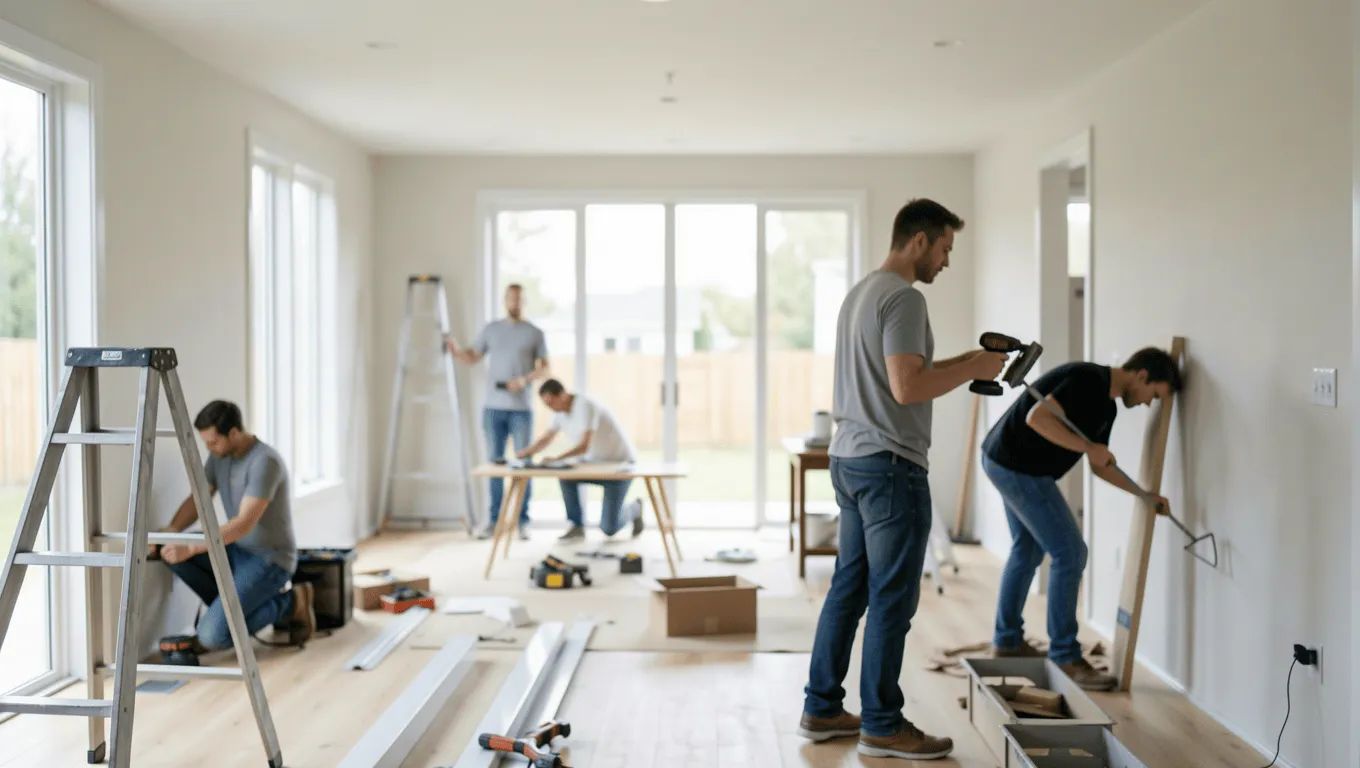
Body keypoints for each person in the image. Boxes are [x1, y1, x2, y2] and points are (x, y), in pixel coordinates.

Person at [799, 199, 1005, 760]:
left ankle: (820, 708)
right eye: (944, 249)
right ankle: (883, 724)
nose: (945, 262)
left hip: (850, 459)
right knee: (892, 598)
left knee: (849, 588)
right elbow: (907, 387)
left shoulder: (862, 293)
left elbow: (902, 372)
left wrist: (970, 359)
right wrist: (972, 372)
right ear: (919, 241)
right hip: (890, 466)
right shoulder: (906, 298)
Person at [981, 349, 1182, 690]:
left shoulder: (1107, 407)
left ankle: (1008, 642)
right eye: (1155, 396)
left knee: (1028, 551)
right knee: (1070, 553)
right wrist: (1088, 447)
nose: (1150, 403)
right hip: (1017, 467)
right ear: (1143, 376)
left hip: (1007, 461)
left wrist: (1145, 496)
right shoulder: (1088, 380)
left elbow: (1099, 465)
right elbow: (1037, 419)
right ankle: (1065, 655)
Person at [157, 400, 313, 653]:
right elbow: (199, 499)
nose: (209, 448)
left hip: (268, 561)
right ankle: (228, 611)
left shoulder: (265, 462)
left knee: (212, 638)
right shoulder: (220, 456)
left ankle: (291, 601)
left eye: (213, 442)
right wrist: (171, 531)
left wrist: (192, 547)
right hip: (235, 550)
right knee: (172, 551)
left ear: (234, 432)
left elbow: (243, 525)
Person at [446, 283, 549, 540]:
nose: (515, 303)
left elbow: (546, 368)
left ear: (524, 302)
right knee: (495, 465)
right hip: (493, 408)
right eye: (511, 299)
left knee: (524, 465)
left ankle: (523, 521)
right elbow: (472, 357)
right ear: (505, 300)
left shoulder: (534, 333)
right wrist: (456, 351)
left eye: (519, 300)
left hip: (521, 409)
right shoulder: (491, 330)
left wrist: (524, 380)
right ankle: (494, 521)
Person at [518, 379, 644, 542]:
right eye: (546, 404)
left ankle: (635, 508)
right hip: (594, 463)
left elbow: (584, 445)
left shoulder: (585, 406)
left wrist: (556, 458)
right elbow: (547, 437)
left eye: (551, 402)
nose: (550, 408)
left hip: (619, 466)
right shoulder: (560, 413)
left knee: (609, 528)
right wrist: (525, 453)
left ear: (562, 394)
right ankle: (577, 526)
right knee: (566, 476)